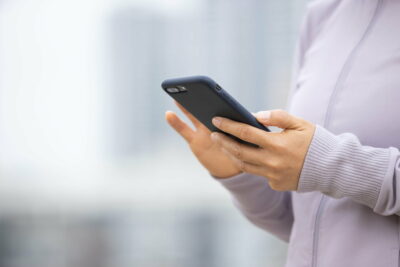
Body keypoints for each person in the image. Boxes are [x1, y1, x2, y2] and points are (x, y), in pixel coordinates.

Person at [165, 0, 400, 266]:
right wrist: (241, 174)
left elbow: (326, 169)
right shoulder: (324, 15)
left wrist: (327, 165)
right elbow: (305, 227)